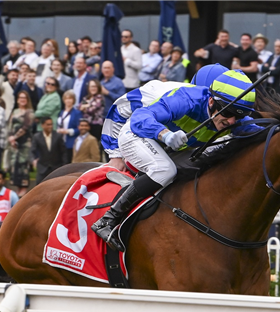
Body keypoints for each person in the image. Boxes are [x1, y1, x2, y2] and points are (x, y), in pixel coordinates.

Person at [91, 69, 256, 250]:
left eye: (239, 116)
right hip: (136, 132)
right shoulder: (185, 99)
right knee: (165, 170)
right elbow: (139, 118)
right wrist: (164, 134)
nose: (232, 121)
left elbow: (259, 133)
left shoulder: (229, 116)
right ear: (211, 101)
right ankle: (107, 219)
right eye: (229, 113)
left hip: (167, 147)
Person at [5, 90, 34, 197]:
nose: (22, 100)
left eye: (24, 98)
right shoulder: (15, 112)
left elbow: (26, 127)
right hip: (14, 144)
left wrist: (15, 137)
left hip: (25, 143)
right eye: (20, 97)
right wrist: (10, 138)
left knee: (23, 164)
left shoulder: (29, 112)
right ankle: (17, 187)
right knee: (15, 164)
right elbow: (10, 126)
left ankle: (24, 188)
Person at [32, 116, 67, 183]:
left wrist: (64, 166)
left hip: (56, 168)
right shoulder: (37, 137)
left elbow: (64, 152)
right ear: (42, 125)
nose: (50, 126)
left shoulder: (58, 136)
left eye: (51, 124)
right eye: (48, 124)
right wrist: (33, 160)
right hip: (42, 168)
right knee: (39, 187)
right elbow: (32, 150)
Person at [57, 90, 83, 164]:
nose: (68, 100)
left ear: (73, 100)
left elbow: (79, 128)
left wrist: (67, 131)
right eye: (66, 98)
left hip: (71, 142)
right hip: (60, 141)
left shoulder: (77, 113)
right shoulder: (61, 112)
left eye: (70, 98)